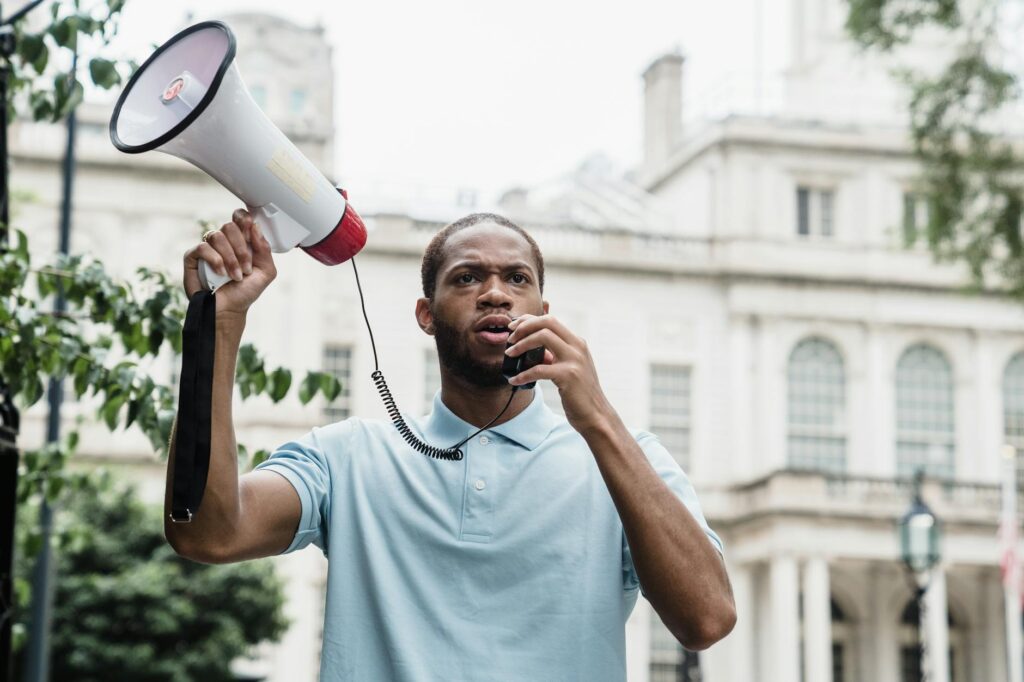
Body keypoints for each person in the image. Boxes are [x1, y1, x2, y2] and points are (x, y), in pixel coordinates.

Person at [165, 209, 736, 681]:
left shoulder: (626, 458)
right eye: (466, 277)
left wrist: (598, 421)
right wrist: (216, 325)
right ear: (426, 316)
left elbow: (706, 619)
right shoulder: (346, 459)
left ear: (543, 313)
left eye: (517, 279)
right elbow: (207, 532)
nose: (495, 293)